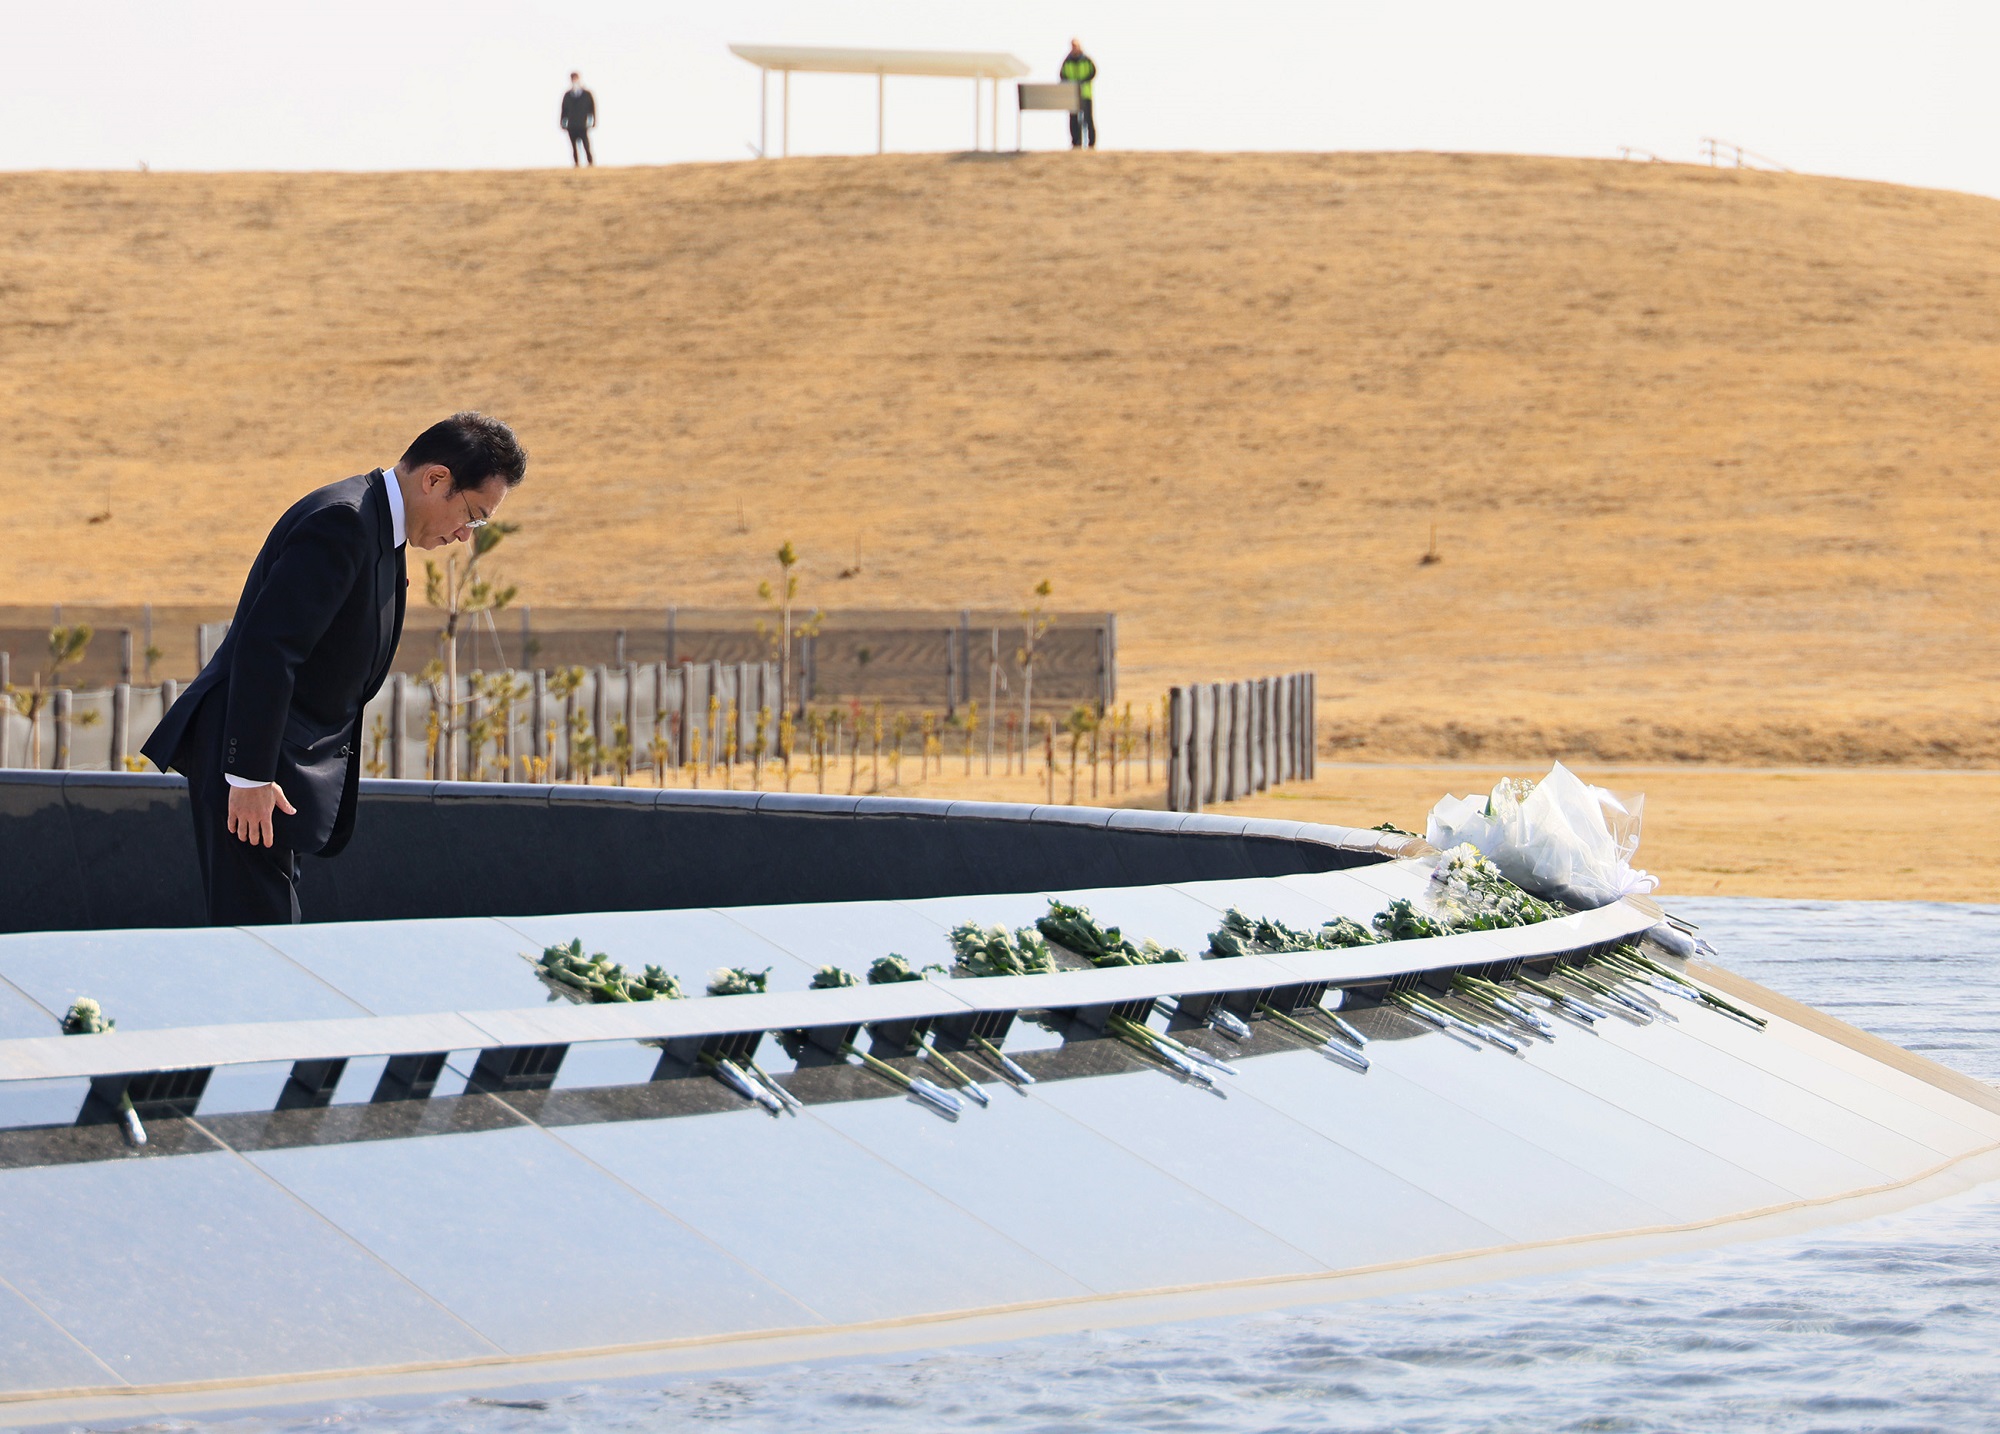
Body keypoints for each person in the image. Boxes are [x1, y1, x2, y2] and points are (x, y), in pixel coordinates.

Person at [142, 414, 528, 926]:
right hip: (254, 772)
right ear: (435, 479)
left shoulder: (381, 532)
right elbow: (269, 648)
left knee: (267, 935)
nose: (465, 535)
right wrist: (250, 777)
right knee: (258, 939)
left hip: (283, 772)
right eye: (473, 516)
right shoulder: (343, 521)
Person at [1060, 40, 1096, 149]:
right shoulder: (1067, 61)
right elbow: (1063, 75)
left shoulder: (1087, 60)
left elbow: (1093, 72)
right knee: (1074, 119)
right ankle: (1076, 142)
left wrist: (1082, 82)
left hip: (1085, 94)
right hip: (1073, 95)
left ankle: (1091, 143)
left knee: (1088, 119)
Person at [561, 73, 597, 167]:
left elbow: (592, 109)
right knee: (573, 147)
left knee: (586, 145)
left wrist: (593, 121)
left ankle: (590, 163)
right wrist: (562, 122)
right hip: (571, 125)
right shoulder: (568, 95)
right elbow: (564, 110)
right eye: (573, 79)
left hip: (582, 125)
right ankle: (576, 164)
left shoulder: (587, 94)